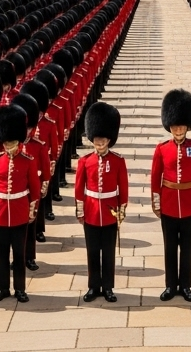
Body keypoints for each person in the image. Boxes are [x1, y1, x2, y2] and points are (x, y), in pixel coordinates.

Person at [151, 89, 191, 302]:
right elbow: (155, 178)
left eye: (182, 125)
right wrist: (156, 203)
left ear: (188, 125)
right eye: (175, 125)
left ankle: (185, 286)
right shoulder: (162, 149)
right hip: (168, 204)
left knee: (187, 248)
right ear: (170, 125)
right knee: (169, 248)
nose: (178, 129)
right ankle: (170, 285)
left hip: (190, 203)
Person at [0, 103, 38, 303]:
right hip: (0, 212)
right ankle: (2, 288)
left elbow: (34, 189)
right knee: (1, 254)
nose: (8, 146)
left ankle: (20, 289)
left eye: (12, 142)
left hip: (19, 212)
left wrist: (31, 210)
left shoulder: (28, 160)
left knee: (19, 254)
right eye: (6, 142)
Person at [77, 101, 127, 302]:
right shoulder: (85, 161)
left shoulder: (117, 161)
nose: (99, 144)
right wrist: (80, 211)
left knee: (108, 253)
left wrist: (121, 210)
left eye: (103, 140)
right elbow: (79, 189)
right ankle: (93, 286)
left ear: (109, 139)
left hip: (109, 212)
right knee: (92, 252)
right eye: (96, 140)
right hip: (90, 211)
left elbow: (123, 188)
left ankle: (107, 287)